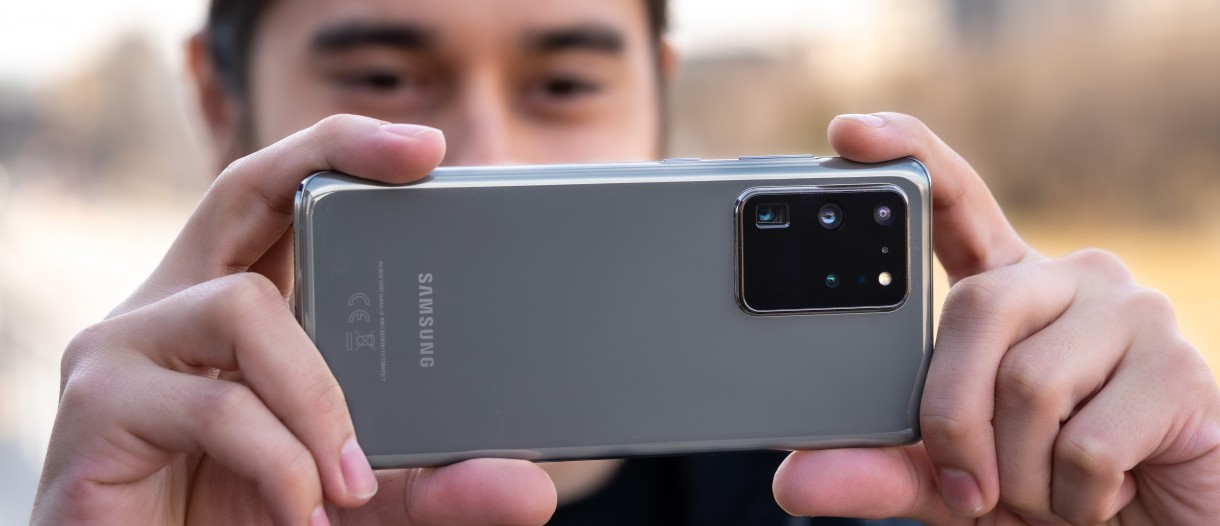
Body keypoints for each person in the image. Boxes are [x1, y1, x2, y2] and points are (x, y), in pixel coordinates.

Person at [31, 0, 1220, 524]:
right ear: (216, 99)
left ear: (659, 91)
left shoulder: (906, 499)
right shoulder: (160, 486)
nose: (484, 158)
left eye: (562, 82)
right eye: (384, 77)